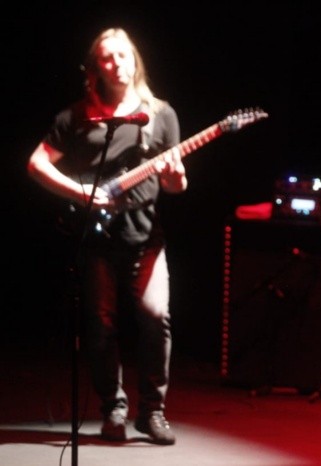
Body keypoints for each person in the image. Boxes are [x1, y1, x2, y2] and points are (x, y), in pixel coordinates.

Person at [26, 27, 186, 445]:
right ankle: (113, 409)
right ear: (95, 68)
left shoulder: (160, 115)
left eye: (122, 55)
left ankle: (152, 412)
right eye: (107, 58)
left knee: (156, 317)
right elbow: (36, 164)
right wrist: (78, 191)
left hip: (147, 236)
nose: (117, 64)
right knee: (100, 326)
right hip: (97, 239)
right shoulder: (77, 116)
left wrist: (174, 175)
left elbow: (175, 185)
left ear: (135, 59)